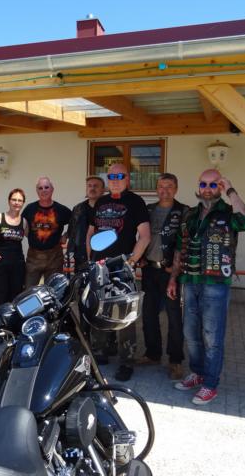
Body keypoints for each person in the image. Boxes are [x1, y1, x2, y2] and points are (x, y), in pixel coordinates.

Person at [168, 169, 245, 405]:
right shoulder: (190, 215)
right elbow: (179, 248)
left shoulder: (229, 213)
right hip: (190, 281)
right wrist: (173, 278)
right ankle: (197, 373)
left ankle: (210, 384)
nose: (207, 189)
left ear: (220, 187)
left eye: (213, 184)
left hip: (216, 283)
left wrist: (231, 190)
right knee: (190, 333)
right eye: (204, 184)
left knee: (212, 335)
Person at [87, 163, 151, 381]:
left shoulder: (135, 202)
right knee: (98, 308)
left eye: (119, 176)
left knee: (125, 314)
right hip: (99, 265)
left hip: (121, 266)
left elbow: (145, 236)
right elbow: (91, 232)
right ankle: (100, 352)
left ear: (127, 179)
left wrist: (131, 261)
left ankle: (127, 361)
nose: (115, 180)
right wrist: (90, 259)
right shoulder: (101, 202)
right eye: (111, 176)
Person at [138, 173, 188, 381]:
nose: (164, 190)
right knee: (148, 314)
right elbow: (141, 236)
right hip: (149, 270)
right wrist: (140, 259)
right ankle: (153, 354)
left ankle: (175, 360)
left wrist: (176, 271)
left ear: (176, 189)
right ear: (156, 188)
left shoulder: (184, 211)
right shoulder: (148, 210)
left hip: (170, 272)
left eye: (169, 186)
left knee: (174, 317)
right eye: (161, 186)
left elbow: (185, 244)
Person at [22, 176, 71, 287]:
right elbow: (22, 224)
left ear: (52, 189)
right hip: (34, 258)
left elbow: (75, 222)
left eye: (46, 187)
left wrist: (66, 235)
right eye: (40, 188)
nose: (43, 190)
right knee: (29, 290)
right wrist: (28, 235)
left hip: (55, 258)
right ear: (37, 191)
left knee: (53, 291)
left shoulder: (61, 210)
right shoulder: (30, 208)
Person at [0, 189, 27, 314]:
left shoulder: (24, 221)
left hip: (17, 265)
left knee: (16, 295)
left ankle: (11, 322)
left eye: (20, 200)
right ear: (9, 201)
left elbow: (32, 237)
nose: (16, 203)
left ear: (23, 203)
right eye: (14, 199)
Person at [67, 176, 105, 270]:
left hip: (103, 256)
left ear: (103, 190)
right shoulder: (78, 209)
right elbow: (71, 231)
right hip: (81, 257)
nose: (92, 188)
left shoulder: (108, 208)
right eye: (89, 186)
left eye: (96, 186)